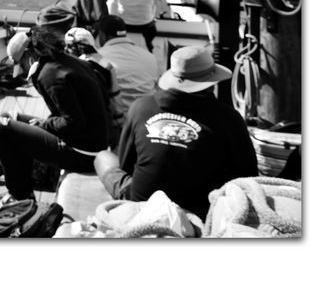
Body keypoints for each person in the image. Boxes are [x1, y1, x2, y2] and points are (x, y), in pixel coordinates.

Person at [93, 44, 258, 219]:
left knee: (103, 157)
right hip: (201, 214)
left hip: (142, 206)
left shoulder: (140, 107)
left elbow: (126, 164)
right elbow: (248, 177)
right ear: (212, 82)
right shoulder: (230, 119)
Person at [0, 26, 111, 203]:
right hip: (94, 143)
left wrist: (43, 125)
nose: (21, 69)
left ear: (29, 56)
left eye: (20, 64)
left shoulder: (50, 74)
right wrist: (44, 125)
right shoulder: (67, 62)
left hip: (83, 153)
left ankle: (20, 195)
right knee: (10, 117)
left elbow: (73, 122)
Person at [95, 14, 159, 128]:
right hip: (146, 122)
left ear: (103, 35)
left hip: (116, 125)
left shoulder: (98, 58)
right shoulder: (150, 57)